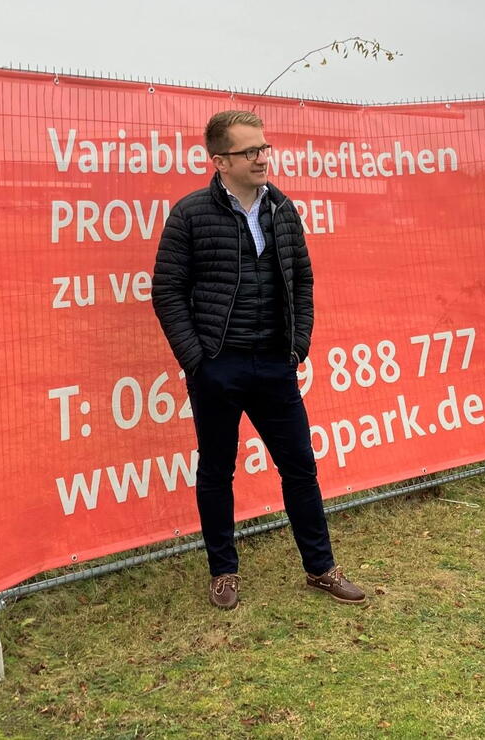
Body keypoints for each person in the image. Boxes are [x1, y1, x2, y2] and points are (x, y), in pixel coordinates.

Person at [151, 110, 365, 610]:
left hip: (275, 364)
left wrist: (298, 346)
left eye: (264, 148)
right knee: (217, 471)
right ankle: (223, 572)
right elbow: (167, 291)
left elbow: (304, 280)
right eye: (250, 151)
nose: (261, 157)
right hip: (217, 368)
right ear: (220, 160)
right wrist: (197, 360)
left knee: (300, 468)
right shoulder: (190, 214)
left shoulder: (282, 210)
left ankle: (321, 568)